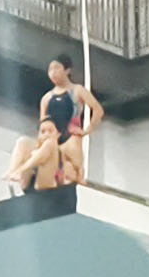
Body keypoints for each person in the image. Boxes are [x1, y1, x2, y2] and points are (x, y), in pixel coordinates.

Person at [7, 57, 104, 194]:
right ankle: (14, 173)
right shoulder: (46, 98)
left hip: (69, 140)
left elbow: (98, 110)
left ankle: (24, 171)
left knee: (59, 149)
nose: (53, 72)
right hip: (51, 141)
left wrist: (87, 130)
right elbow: (43, 127)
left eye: (57, 68)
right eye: (50, 69)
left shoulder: (77, 91)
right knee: (23, 142)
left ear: (67, 70)